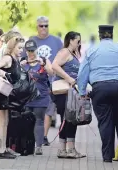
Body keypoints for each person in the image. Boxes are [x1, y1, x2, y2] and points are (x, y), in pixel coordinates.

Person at [77, 25, 118, 162]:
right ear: (111, 35)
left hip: (100, 90)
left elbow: (82, 74)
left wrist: (82, 92)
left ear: (100, 36)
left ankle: (107, 156)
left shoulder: (91, 51)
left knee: (105, 123)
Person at [0, 36, 24, 159]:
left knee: (5, 122)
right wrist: (3, 73)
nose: (21, 50)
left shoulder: (16, 60)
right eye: (19, 48)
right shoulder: (7, 58)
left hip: (6, 94)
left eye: (22, 48)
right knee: (1, 122)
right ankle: (0, 150)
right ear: (12, 47)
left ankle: (3, 148)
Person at [29, 16, 63, 145]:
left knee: (48, 109)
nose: (44, 28)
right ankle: (35, 136)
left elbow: (62, 57)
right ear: (37, 26)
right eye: (41, 25)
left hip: (52, 80)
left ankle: (43, 136)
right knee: (35, 110)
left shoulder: (56, 41)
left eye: (46, 25)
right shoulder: (32, 40)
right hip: (34, 81)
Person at [52, 31, 86, 159]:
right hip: (64, 92)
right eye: (78, 40)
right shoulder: (65, 52)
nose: (79, 43)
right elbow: (55, 65)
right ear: (71, 40)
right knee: (70, 119)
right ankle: (68, 149)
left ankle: (65, 149)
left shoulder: (73, 54)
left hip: (70, 92)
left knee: (68, 119)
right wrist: (68, 78)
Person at [21, 39, 53, 155]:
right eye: (29, 50)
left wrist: (43, 64)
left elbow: (51, 73)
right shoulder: (23, 62)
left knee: (39, 120)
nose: (31, 53)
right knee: (26, 121)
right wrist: (20, 66)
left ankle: (39, 146)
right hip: (26, 97)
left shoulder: (44, 60)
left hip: (41, 97)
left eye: (33, 50)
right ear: (26, 51)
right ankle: (27, 146)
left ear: (36, 49)